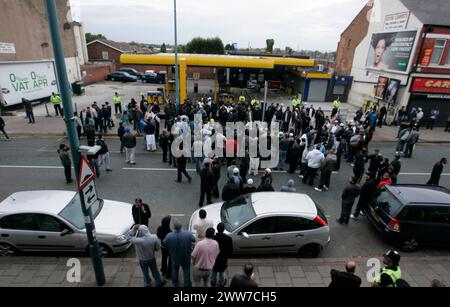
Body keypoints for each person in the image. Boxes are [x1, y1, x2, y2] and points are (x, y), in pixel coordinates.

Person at [163, 220, 196, 287]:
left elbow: (164, 244)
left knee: (175, 270)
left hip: (175, 257)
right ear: (181, 226)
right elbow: (194, 240)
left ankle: (175, 284)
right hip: (186, 257)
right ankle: (187, 284)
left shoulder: (169, 236)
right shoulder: (188, 234)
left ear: (174, 227)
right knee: (186, 271)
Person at [212, 223, 234, 287]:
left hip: (214, 257)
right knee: (222, 271)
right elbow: (230, 249)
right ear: (224, 229)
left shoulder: (213, 238)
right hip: (223, 258)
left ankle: (213, 281)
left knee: (214, 270)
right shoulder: (228, 239)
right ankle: (221, 282)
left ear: (217, 229)